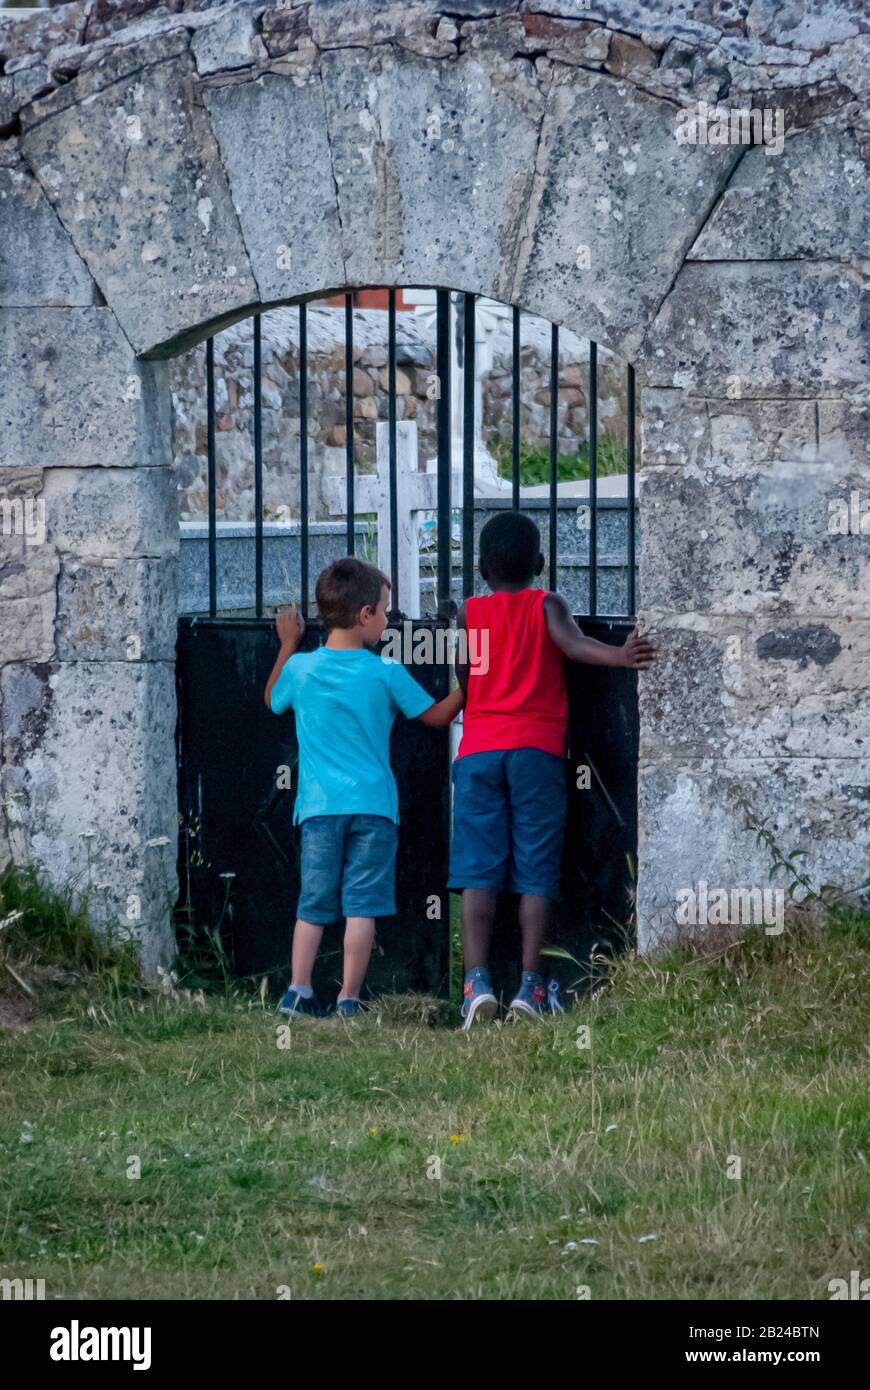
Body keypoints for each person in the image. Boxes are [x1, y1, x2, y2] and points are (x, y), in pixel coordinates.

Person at [450, 511, 658, 1029]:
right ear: (540, 563)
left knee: (478, 872)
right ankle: (531, 988)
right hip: (537, 753)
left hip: (478, 752)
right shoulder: (549, 605)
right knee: (535, 871)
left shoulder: (468, 614)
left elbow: (465, 675)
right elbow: (571, 645)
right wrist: (619, 655)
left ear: (479, 568)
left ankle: (475, 984)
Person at [265, 556, 464, 1017]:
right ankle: (348, 1000)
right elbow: (435, 717)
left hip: (317, 809)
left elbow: (273, 700)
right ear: (365, 616)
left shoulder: (303, 670)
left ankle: (298, 991)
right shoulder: (385, 672)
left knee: (312, 903)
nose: (389, 618)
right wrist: (470, 687)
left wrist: (287, 645)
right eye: (385, 609)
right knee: (362, 905)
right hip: (374, 807)